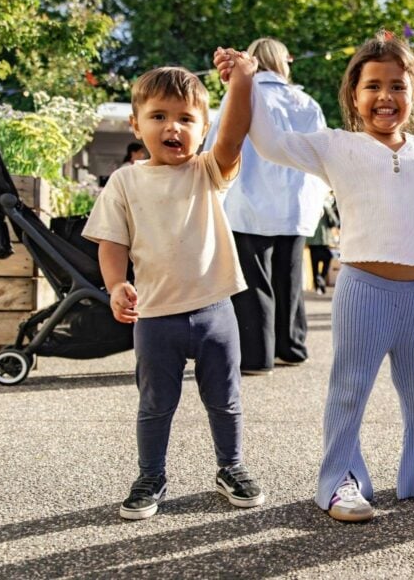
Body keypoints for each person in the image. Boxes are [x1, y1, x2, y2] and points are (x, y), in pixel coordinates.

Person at [216, 31, 414, 522]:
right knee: (350, 388)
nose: (385, 97)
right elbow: (267, 142)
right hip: (362, 290)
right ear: (354, 95)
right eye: (372, 86)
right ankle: (340, 479)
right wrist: (244, 82)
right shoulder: (335, 146)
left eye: (397, 85)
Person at [82, 59, 264, 520]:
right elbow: (112, 241)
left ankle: (231, 466)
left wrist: (241, 81)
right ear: (136, 124)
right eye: (159, 116)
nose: (173, 127)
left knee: (225, 400)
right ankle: (151, 474)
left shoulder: (208, 171)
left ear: (204, 127)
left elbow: (236, 131)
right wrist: (116, 284)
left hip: (215, 311)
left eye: (187, 118)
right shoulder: (124, 180)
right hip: (155, 315)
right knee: (156, 404)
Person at [205, 38, 328, 376]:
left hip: (247, 198)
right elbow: (320, 153)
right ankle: (292, 346)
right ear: (282, 61)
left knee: (253, 280)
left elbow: (218, 141)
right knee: (289, 277)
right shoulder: (306, 102)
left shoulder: (242, 95)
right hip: (296, 202)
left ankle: (257, 355)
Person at [307, 195, 339, 294]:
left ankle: (318, 286)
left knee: (314, 264)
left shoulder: (310, 204)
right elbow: (334, 221)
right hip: (323, 239)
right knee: (328, 257)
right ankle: (321, 277)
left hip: (311, 239)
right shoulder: (325, 205)